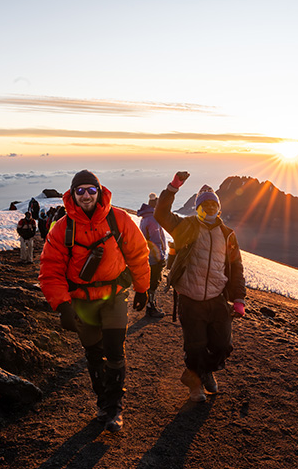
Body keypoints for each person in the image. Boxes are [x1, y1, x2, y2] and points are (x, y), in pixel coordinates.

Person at [39, 170, 150, 432]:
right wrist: (63, 306)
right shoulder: (62, 229)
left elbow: (138, 253)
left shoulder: (119, 219)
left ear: (99, 192)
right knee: (93, 354)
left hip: (114, 297)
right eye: (80, 191)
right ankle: (103, 402)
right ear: (73, 194)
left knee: (113, 351)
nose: (86, 195)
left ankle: (114, 408)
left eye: (91, 190)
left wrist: (142, 288)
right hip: (81, 302)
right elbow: (50, 269)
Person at [154, 171, 246, 403]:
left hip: (217, 298)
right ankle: (195, 385)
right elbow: (161, 213)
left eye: (213, 204)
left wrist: (239, 298)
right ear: (198, 208)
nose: (210, 208)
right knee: (195, 346)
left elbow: (236, 268)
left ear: (219, 208)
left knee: (223, 346)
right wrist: (174, 187)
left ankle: (203, 372)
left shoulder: (228, 235)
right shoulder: (186, 227)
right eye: (205, 205)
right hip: (190, 298)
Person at [136, 193, 167, 318]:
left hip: (147, 257)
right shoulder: (153, 219)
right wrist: (161, 258)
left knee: (150, 282)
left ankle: (150, 305)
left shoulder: (145, 218)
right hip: (154, 258)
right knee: (154, 282)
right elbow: (156, 242)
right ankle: (151, 307)